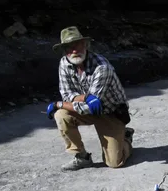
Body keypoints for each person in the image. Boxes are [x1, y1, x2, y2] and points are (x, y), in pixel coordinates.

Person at [47, 26, 134, 171]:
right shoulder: (64, 63)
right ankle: (82, 157)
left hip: (110, 113)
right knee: (61, 115)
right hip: (89, 108)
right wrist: (86, 97)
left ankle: (126, 138)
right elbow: (67, 94)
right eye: (69, 47)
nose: (74, 50)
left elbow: (89, 106)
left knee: (114, 163)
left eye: (77, 44)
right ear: (64, 50)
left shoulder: (102, 66)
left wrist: (59, 104)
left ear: (85, 45)